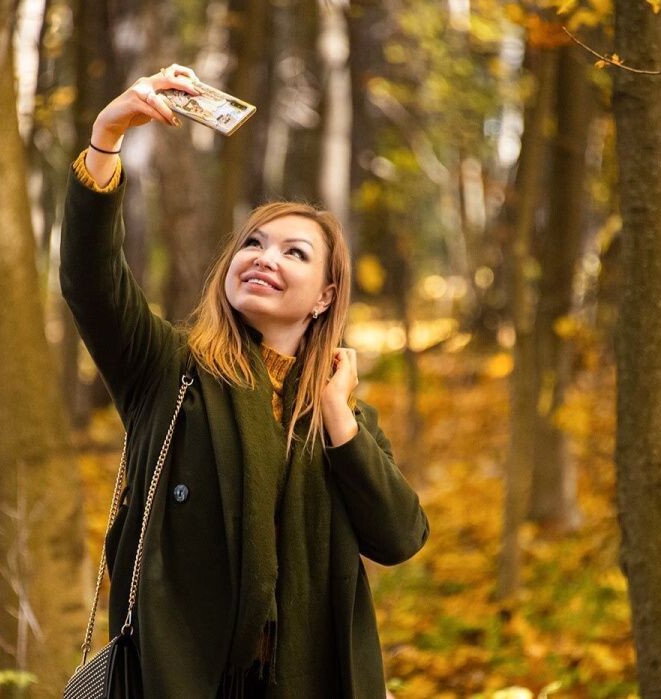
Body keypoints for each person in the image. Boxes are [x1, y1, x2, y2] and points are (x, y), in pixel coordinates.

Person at [61, 63, 429, 699]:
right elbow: (91, 281)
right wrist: (107, 137)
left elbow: (398, 538)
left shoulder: (338, 418)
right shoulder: (169, 368)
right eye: (254, 243)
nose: (264, 257)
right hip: (182, 679)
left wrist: (339, 416)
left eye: (295, 252)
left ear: (324, 298)